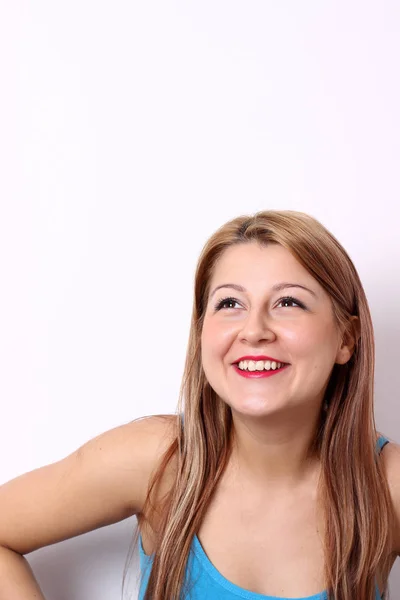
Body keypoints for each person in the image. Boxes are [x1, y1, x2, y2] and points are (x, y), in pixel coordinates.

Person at [0, 210, 399, 600]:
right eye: (229, 304)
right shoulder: (158, 461)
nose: (255, 330)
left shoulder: (387, 484)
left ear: (346, 340)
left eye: (289, 303)